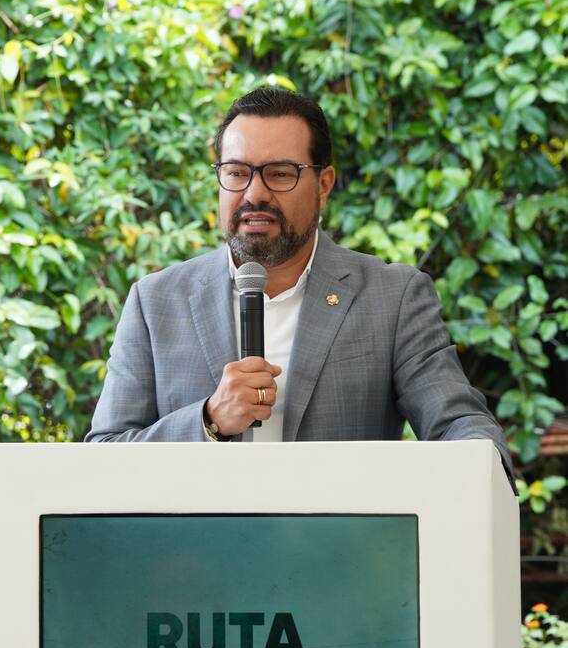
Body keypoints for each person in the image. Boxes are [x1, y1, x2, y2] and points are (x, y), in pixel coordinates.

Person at [85, 86, 515, 488]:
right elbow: (104, 457)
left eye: (279, 174)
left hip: (337, 541)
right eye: (236, 173)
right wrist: (209, 421)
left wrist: (484, 467)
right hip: (195, 544)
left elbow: (458, 423)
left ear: (323, 185)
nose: (254, 194)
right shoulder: (155, 301)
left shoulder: (392, 298)